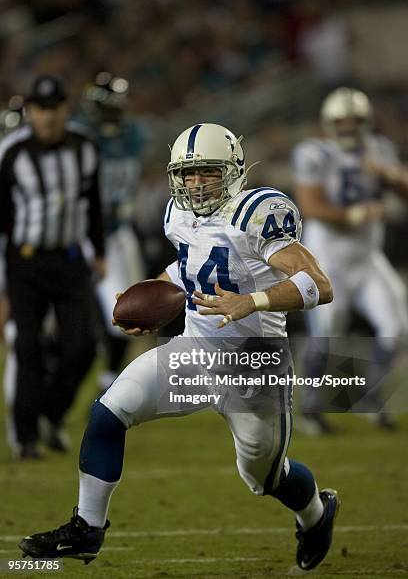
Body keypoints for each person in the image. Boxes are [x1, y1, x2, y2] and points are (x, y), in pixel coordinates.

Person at [19, 123, 339, 572]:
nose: (195, 183)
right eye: (187, 174)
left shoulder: (255, 212)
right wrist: (150, 297)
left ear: (233, 171)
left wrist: (252, 301)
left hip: (254, 367)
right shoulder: (179, 214)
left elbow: (318, 285)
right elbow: (191, 263)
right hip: (195, 350)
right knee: (109, 412)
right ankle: (87, 529)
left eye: (207, 172)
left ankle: (316, 516)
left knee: (265, 476)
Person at [0, 75, 106, 459]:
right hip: (24, 262)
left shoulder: (85, 148)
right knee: (27, 346)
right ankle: (26, 437)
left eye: (54, 107)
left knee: (84, 346)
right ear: (29, 111)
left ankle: (52, 414)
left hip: (69, 258)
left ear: (66, 108)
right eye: (40, 109)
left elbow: (92, 202)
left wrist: (100, 250)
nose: (47, 117)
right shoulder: (11, 153)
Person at [292, 87, 408, 434]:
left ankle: (370, 399)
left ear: (366, 121)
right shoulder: (314, 153)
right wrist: (354, 215)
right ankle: (311, 407)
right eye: (340, 122)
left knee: (397, 328)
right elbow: (309, 206)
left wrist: (389, 175)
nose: (347, 128)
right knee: (327, 333)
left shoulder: (381, 150)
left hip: (367, 257)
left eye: (354, 121)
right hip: (327, 259)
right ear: (328, 124)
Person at [75, 72, 147, 390]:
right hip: (87, 233)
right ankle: (104, 376)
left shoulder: (132, 134)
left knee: (134, 311)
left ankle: (109, 376)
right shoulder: (80, 137)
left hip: (120, 231)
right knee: (118, 313)